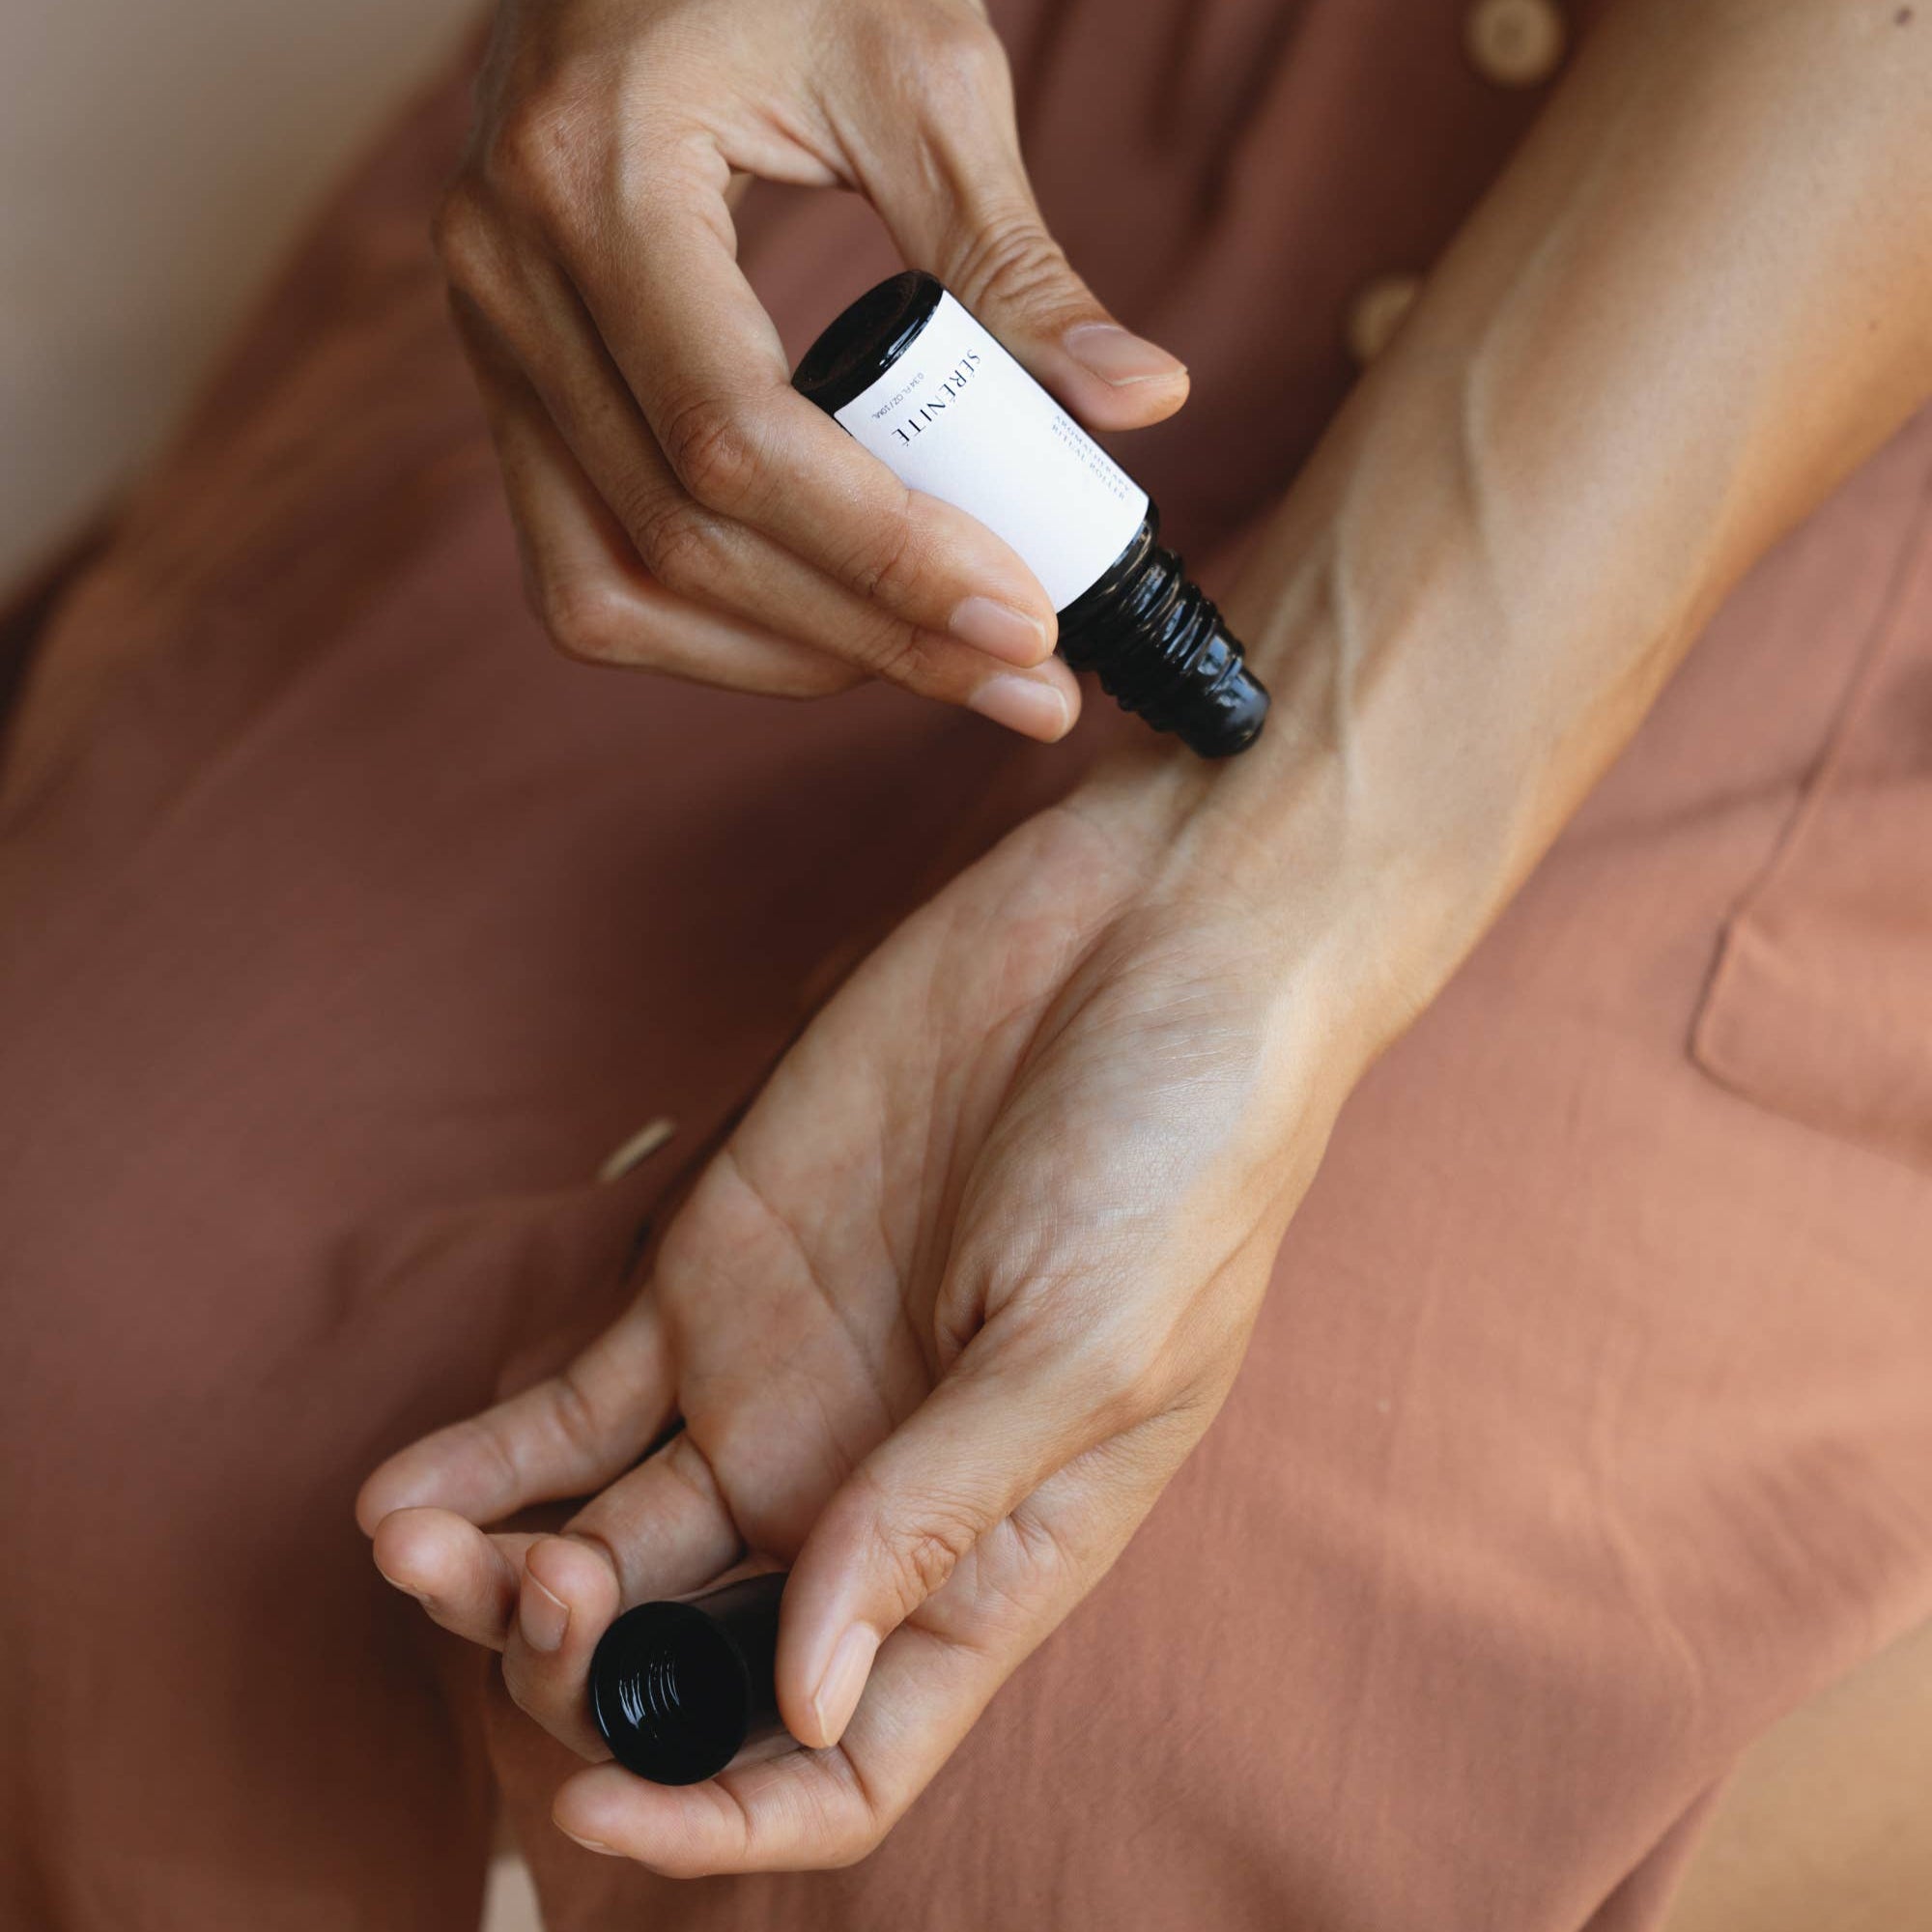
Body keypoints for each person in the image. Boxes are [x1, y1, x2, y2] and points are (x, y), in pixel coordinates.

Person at [3, 0, 1929, 1926]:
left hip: (1801, 293)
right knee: (74, 1345)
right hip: (953, 112)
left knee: (1090, 1764)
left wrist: (1285, 887)